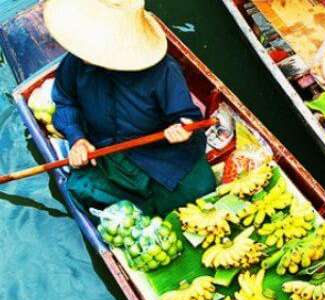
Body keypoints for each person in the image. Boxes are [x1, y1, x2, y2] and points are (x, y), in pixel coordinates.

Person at [44, 0, 216, 215]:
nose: (84, 51)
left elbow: (186, 116)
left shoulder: (163, 71)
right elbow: (65, 100)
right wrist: (77, 139)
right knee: (79, 188)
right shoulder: (75, 63)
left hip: (158, 153)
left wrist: (182, 128)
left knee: (202, 187)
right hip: (104, 151)